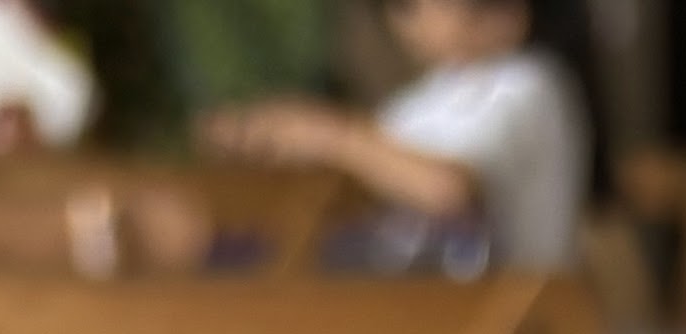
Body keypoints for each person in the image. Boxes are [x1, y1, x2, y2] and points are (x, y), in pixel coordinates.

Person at [206, 0, 588, 271]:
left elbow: (447, 190)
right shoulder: (424, 98)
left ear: (507, 14)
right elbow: (370, 171)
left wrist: (330, 135)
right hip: (434, 309)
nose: (405, 15)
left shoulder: (527, 82)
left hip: (520, 314)